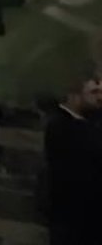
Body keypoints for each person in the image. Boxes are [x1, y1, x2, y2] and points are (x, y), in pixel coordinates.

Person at [44, 75, 102, 244]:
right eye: (94, 92)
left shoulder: (88, 120)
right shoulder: (61, 126)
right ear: (73, 94)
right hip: (74, 218)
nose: (100, 97)